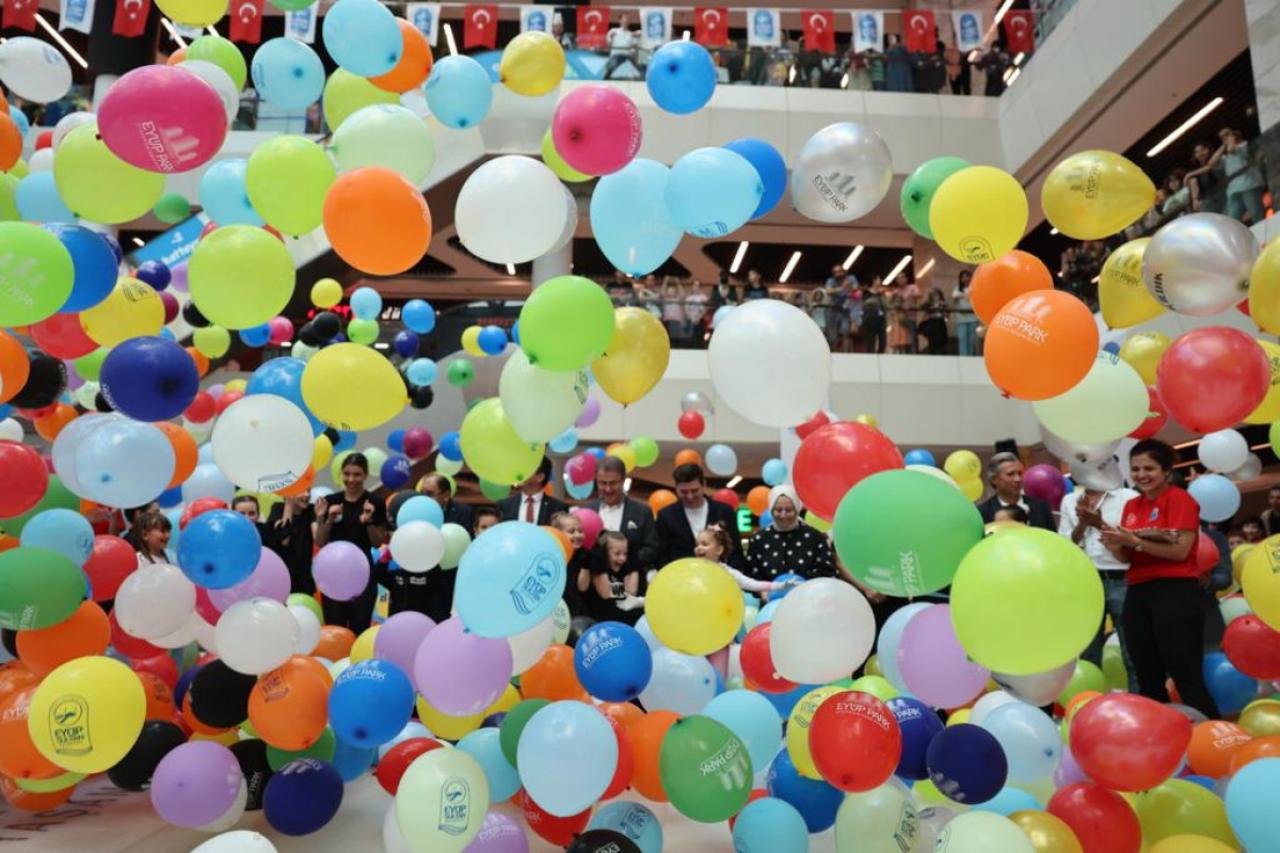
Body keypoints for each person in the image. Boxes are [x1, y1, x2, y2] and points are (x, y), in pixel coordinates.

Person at [1100, 439, 1221, 718]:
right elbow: (1127, 558)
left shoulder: (1180, 499)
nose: (1141, 475)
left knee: (1185, 675)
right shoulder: (1132, 505)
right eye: (1136, 469)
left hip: (1176, 591)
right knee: (1147, 675)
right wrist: (1115, 544)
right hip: (1137, 592)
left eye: (1149, 468)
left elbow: (1180, 551)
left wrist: (1134, 541)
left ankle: (1212, 733)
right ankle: (1161, 736)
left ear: (1166, 471)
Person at [1059, 484, 1140, 689]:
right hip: (1086, 581)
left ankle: (1140, 702)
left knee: (1133, 652)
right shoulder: (1070, 500)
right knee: (1088, 653)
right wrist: (1082, 523)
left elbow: (1135, 541)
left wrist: (1098, 522)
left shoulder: (1128, 497)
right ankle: (1090, 703)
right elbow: (1066, 545)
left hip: (1122, 579)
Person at [313, 452, 389, 634]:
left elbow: (377, 543)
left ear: (365, 475)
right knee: (334, 628)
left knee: (359, 627)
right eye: (347, 474)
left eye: (357, 474)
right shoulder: (331, 501)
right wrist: (327, 518)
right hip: (334, 572)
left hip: (362, 572)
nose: (351, 479)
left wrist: (369, 520)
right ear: (341, 474)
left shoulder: (375, 502)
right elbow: (320, 541)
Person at [655, 463, 741, 567]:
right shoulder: (666, 515)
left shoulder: (724, 512)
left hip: (718, 573)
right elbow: (661, 555)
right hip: (680, 574)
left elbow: (735, 551)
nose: (690, 496)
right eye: (683, 492)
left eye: (694, 491)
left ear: (704, 485)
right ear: (676, 488)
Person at [744, 485, 837, 581]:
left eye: (789, 510)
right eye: (778, 510)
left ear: (797, 509)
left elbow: (827, 571)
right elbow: (750, 574)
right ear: (771, 510)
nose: (783, 515)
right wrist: (767, 589)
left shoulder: (814, 537)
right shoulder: (758, 539)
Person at [586, 455, 658, 576]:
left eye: (613, 483)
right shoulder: (587, 511)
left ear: (624, 480)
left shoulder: (643, 512)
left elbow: (652, 549)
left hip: (630, 580)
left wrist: (623, 560)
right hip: (593, 581)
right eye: (603, 483)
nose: (608, 489)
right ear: (596, 480)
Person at [695, 523, 787, 600]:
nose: (698, 548)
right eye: (697, 545)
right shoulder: (693, 570)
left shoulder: (726, 572)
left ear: (719, 550)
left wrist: (778, 586)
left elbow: (751, 584)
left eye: (704, 544)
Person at [976, 452, 1056, 530]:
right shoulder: (982, 513)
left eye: (1020, 473)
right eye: (1010, 474)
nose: (1018, 479)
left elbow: (1053, 537)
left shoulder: (1041, 507)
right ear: (994, 479)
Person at [264, 493, 315, 594]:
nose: (307, 494)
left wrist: (321, 517)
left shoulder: (311, 510)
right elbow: (284, 540)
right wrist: (288, 506)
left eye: (309, 490)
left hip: (304, 579)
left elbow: (318, 540)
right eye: (302, 491)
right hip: (282, 577)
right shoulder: (278, 508)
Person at [589, 531, 643, 624]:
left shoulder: (624, 567)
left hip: (622, 621)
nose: (622, 558)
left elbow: (631, 592)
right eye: (617, 553)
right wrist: (600, 560)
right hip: (601, 621)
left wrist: (634, 564)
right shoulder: (597, 567)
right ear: (604, 553)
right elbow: (605, 593)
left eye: (625, 554)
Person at [497, 457, 568, 525]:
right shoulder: (505, 505)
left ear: (540, 477)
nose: (520, 474)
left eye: (526, 470)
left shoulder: (558, 508)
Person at [551, 511, 593, 618]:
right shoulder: (552, 554)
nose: (577, 535)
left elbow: (583, 587)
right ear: (558, 533)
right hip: (555, 610)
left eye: (580, 531)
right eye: (571, 531)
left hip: (577, 611)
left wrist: (585, 566)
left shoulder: (585, 555)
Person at [1186, 139, 1225, 213]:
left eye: (1203, 149)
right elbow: (1191, 183)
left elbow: (1210, 165)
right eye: (1197, 152)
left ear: (1208, 149)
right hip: (1209, 202)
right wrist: (1195, 200)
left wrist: (1190, 174)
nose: (1201, 153)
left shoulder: (1218, 159)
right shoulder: (1195, 172)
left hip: (1223, 195)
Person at [603, 13, 638, 79]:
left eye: (628, 19)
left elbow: (633, 50)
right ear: (620, 20)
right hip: (615, 57)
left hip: (627, 58)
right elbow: (608, 44)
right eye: (625, 18)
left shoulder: (631, 34)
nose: (626, 20)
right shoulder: (613, 31)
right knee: (612, 65)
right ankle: (606, 78)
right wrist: (611, 37)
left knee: (637, 70)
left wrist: (633, 49)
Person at [952, 270, 978, 356]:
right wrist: (965, 295)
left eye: (967, 276)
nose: (965, 279)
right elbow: (954, 295)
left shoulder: (975, 288)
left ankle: (970, 357)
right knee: (962, 338)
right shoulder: (957, 288)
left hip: (973, 318)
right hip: (961, 318)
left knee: (971, 340)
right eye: (963, 277)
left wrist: (966, 295)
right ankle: (963, 356)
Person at [918, 282, 949, 354]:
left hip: (940, 322)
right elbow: (921, 307)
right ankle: (933, 352)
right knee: (932, 340)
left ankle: (942, 353)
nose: (935, 296)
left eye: (937, 294)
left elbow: (947, 314)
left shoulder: (943, 303)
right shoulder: (929, 303)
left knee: (941, 341)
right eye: (933, 295)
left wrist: (942, 309)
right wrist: (928, 301)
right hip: (932, 322)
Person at [862, 277, 887, 354]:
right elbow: (865, 304)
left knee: (883, 340)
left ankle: (880, 354)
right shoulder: (866, 292)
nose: (880, 281)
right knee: (871, 340)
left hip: (881, 319)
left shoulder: (882, 293)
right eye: (878, 279)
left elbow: (885, 305)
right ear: (874, 281)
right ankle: (871, 356)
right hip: (870, 319)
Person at [660, 276, 686, 342]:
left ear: (675, 292)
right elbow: (662, 293)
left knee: (676, 340)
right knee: (667, 339)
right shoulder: (666, 299)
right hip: (667, 321)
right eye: (669, 290)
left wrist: (678, 282)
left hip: (676, 322)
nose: (671, 292)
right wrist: (665, 281)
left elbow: (683, 294)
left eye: (672, 290)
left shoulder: (678, 299)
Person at [683, 279, 709, 343]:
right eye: (694, 285)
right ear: (692, 287)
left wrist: (699, 317)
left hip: (700, 320)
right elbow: (686, 309)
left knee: (700, 338)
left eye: (698, 285)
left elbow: (705, 309)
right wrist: (691, 318)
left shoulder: (704, 297)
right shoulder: (688, 298)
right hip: (690, 320)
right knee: (690, 339)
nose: (696, 287)